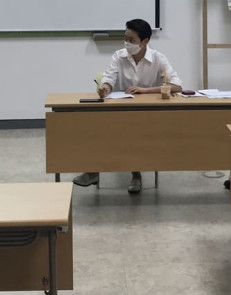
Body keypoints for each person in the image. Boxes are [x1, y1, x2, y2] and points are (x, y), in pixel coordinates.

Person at [73, 18, 182, 194]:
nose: (127, 43)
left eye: (131, 40)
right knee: (96, 126)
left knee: (135, 129)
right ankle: (93, 171)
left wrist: (145, 90)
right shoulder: (119, 56)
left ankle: (136, 174)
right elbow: (109, 78)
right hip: (121, 110)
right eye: (125, 38)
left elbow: (177, 86)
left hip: (149, 113)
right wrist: (105, 88)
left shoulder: (158, 58)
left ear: (144, 41)